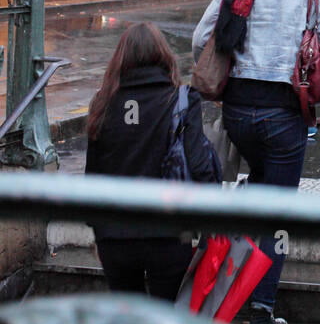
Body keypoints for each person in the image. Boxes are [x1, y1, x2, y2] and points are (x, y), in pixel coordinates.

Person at [193, 0, 320, 324]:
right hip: (284, 118)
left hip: (238, 113)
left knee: (262, 185)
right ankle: (261, 311)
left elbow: (200, 38)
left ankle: (234, 239)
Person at [85, 22, 220, 301]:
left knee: (128, 322)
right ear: (163, 56)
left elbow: (93, 176)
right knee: (165, 319)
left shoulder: (102, 104)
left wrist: (99, 232)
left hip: (115, 236)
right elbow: (198, 164)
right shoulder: (181, 101)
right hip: (168, 234)